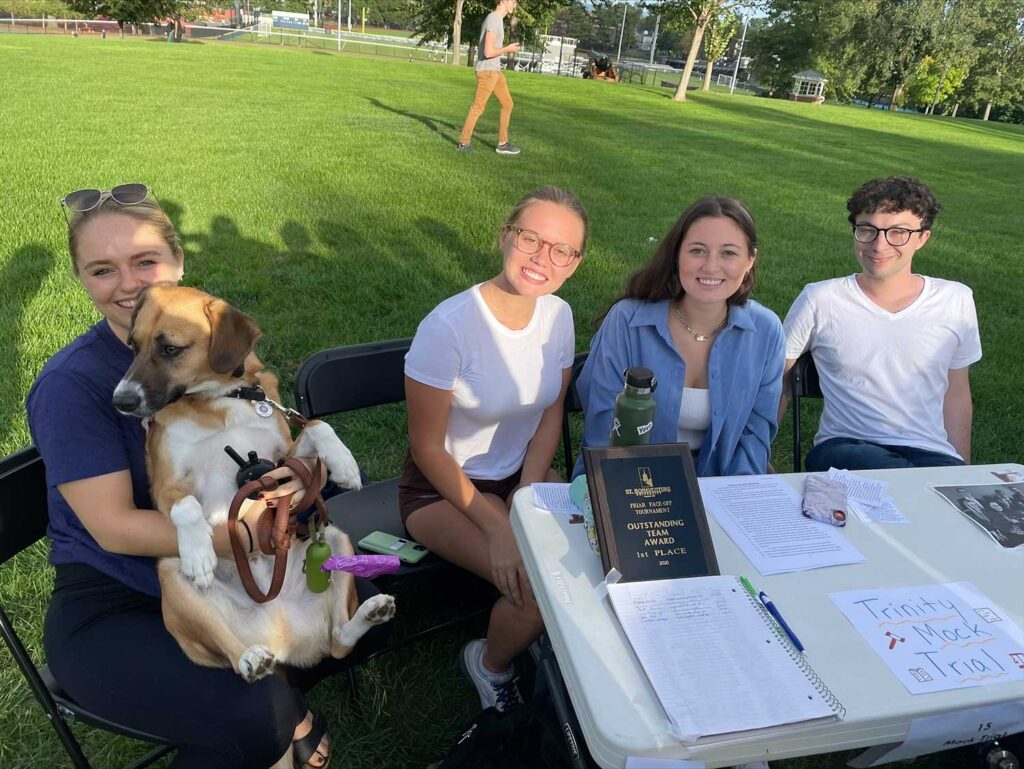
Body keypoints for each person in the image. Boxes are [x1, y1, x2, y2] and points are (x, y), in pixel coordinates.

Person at [28, 185, 383, 769]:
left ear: (179, 262)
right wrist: (248, 536)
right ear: (82, 279)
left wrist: (298, 480)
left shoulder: (211, 346)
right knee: (255, 717)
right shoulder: (73, 385)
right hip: (118, 597)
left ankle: (277, 697)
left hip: (235, 570)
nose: (130, 285)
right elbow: (115, 529)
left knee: (362, 592)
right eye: (102, 269)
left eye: (146, 262)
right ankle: (278, 716)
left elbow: (279, 447)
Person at [401, 186, 586, 712]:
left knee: (596, 552)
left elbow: (551, 410)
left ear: (574, 263)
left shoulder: (559, 316)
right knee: (536, 589)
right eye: (532, 239)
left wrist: (526, 497)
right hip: (441, 488)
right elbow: (427, 449)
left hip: (521, 475)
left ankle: (549, 647)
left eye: (561, 250)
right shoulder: (448, 327)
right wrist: (499, 524)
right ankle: (489, 664)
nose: (542, 259)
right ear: (506, 236)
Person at [779, 176, 982, 472]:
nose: (879, 244)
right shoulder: (821, 299)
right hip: (845, 449)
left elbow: (957, 393)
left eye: (898, 232)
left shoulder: (955, 300)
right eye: (867, 230)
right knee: (897, 478)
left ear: (923, 238)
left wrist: (963, 474)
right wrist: (753, 459)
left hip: (929, 453)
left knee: (920, 488)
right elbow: (776, 382)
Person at [574, 196, 784, 478]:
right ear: (677, 255)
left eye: (729, 253)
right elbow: (603, 430)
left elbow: (754, 436)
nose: (711, 267)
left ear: (750, 260)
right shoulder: (627, 322)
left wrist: (734, 496)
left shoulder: (766, 332)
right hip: (625, 482)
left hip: (720, 489)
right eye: (697, 251)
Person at [457, 0, 521, 155]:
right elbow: (488, 52)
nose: (515, 4)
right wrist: (508, 49)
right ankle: (464, 143)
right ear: (504, 1)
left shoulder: (497, 19)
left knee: (507, 104)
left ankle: (502, 144)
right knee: (478, 107)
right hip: (487, 72)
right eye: (513, 1)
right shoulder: (493, 19)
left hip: (495, 72)